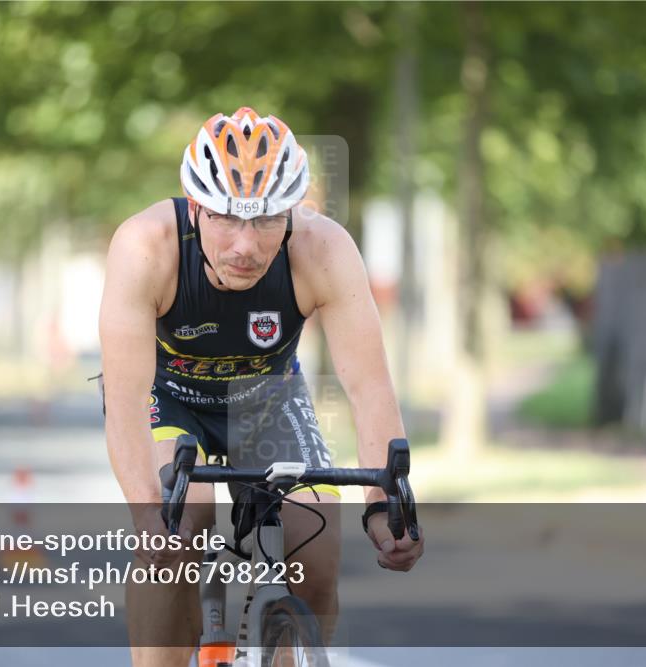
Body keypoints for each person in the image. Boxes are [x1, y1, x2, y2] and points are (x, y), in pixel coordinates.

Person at [99, 107, 423, 667]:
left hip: (265, 400)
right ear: (196, 208)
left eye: (268, 220)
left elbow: (370, 388)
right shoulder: (146, 247)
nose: (246, 245)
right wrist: (149, 515)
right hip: (169, 397)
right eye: (227, 218)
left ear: (294, 213)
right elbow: (126, 399)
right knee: (182, 527)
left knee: (316, 557)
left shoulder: (324, 249)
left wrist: (384, 505)